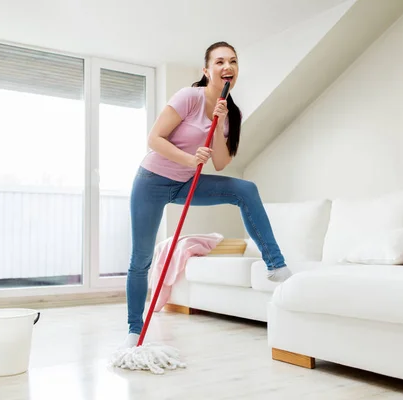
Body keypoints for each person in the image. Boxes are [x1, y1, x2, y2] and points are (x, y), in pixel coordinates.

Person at [122, 41, 291, 348]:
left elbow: (222, 162)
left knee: (245, 190)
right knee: (141, 258)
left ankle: (276, 265)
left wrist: (222, 121)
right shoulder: (189, 97)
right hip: (152, 181)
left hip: (186, 183)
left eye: (233, 62)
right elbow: (154, 139)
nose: (228, 67)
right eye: (220, 61)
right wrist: (189, 159)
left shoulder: (232, 113)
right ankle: (135, 331)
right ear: (207, 70)